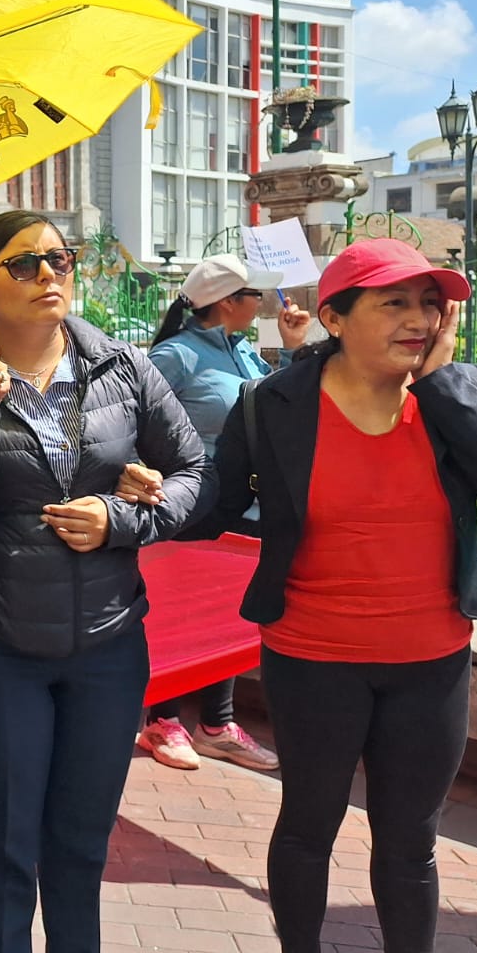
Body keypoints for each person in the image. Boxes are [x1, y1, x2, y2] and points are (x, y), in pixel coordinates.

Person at [195, 238, 477, 953]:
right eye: (395, 302)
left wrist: (449, 384)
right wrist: (134, 496)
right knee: (308, 823)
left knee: (410, 839)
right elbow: (214, 507)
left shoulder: (458, 395)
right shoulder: (273, 405)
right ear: (334, 315)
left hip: (432, 658)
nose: (420, 319)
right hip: (312, 654)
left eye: (431, 303)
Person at [0, 210, 206, 953]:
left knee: (83, 828)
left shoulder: (123, 368)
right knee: (4, 836)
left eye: (60, 256)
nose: (51, 272)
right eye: (26, 264)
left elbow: (197, 471)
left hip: (107, 638)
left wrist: (124, 518)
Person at [138, 254, 311, 772]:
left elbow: (278, 407)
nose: (260, 304)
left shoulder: (246, 353)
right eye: (253, 296)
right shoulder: (176, 356)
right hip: (192, 508)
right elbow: (135, 417)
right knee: (181, 609)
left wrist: (294, 348)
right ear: (226, 303)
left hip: (248, 505)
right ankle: (162, 720)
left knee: (229, 613)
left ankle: (216, 724)